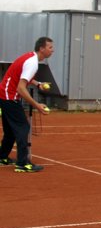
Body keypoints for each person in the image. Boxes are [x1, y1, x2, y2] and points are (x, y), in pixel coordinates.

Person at [0, 37, 54, 173]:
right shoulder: (33, 63)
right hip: (9, 97)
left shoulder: (30, 57)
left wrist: (38, 84)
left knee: (11, 130)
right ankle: (22, 163)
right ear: (42, 49)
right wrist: (37, 105)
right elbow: (21, 88)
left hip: (4, 95)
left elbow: (23, 76)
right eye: (50, 47)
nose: (52, 50)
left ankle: (2, 157)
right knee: (23, 127)